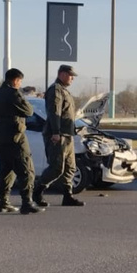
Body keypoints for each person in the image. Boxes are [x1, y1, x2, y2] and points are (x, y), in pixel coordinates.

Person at [0, 68, 45, 214]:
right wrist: (22, 96)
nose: (20, 84)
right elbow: (29, 111)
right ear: (15, 80)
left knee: (6, 170)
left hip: (1, 137)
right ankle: (27, 202)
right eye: (20, 81)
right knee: (26, 169)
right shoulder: (13, 94)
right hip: (15, 138)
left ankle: (3, 202)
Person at [33, 64, 85, 207]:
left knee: (70, 167)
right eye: (70, 75)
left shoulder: (64, 91)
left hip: (67, 135)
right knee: (56, 168)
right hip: (58, 135)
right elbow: (54, 112)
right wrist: (56, 132)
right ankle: (37, 191)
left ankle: (68, 196)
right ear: (61, 74)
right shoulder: (55, 90)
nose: (72, 78)